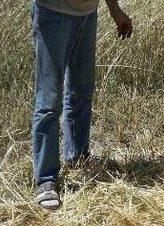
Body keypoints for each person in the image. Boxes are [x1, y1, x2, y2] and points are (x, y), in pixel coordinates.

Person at [31, 0, 133, 209]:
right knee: (49, 101)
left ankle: (77, 156)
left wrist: (115, 9)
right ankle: (46, 179)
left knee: (81, 91)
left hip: (87, 14)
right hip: (53, 13)